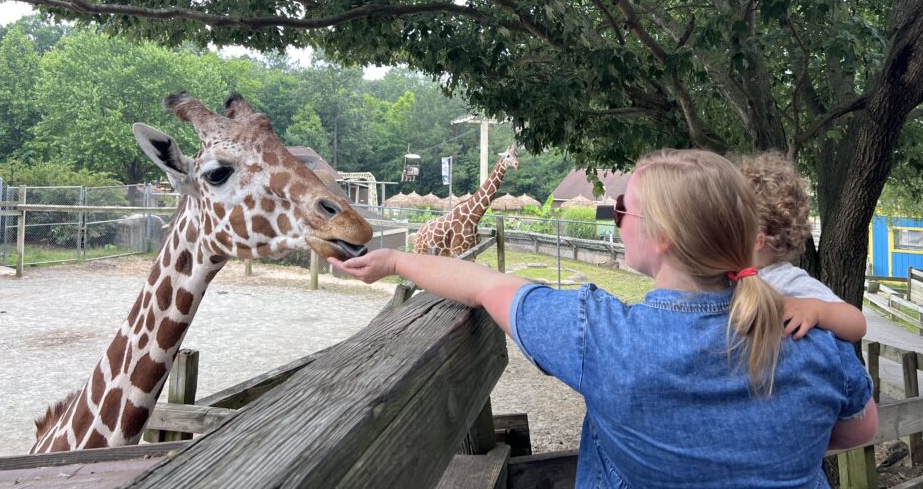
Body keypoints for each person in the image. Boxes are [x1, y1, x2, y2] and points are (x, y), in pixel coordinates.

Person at [331, 149, 877, 488]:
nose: (615, 219)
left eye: (622, 210)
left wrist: (396, 260)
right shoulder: (815, 338)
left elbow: (484, 286)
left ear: (661, 236)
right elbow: (861, 429)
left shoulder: (599, 335)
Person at [735, 151, 868, 343]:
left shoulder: (784, 280)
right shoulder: (723, 273)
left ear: (757, 240)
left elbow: (857, 324)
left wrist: (817, 310)